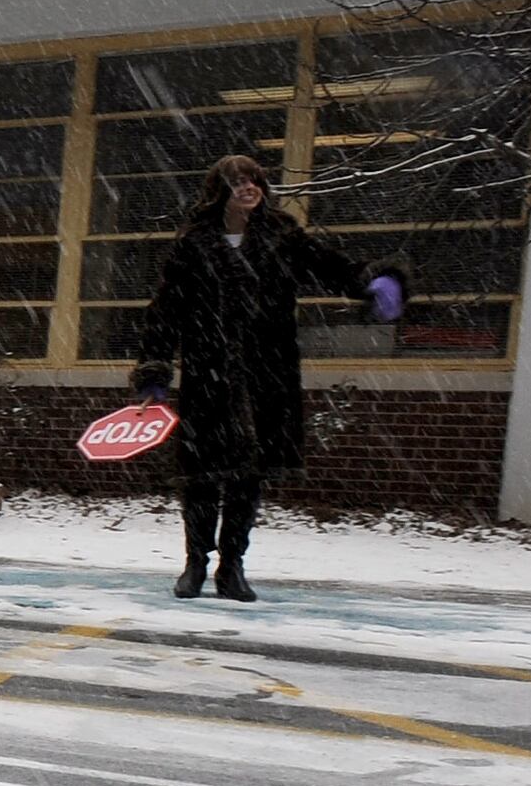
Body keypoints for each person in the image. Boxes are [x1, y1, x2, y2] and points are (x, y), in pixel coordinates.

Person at [131, 153, 395, 601]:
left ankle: (231, 567)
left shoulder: (282, 235)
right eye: (238, 183)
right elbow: (165, 311)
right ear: (220, 191)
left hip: (266, 373)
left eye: (254, 181)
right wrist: (155, 370)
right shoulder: (193, 243)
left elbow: (328, 266)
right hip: (207, 372)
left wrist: (370, 282)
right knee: (200, 475)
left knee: (247, 475)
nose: (248, 188)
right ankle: (196, 563)